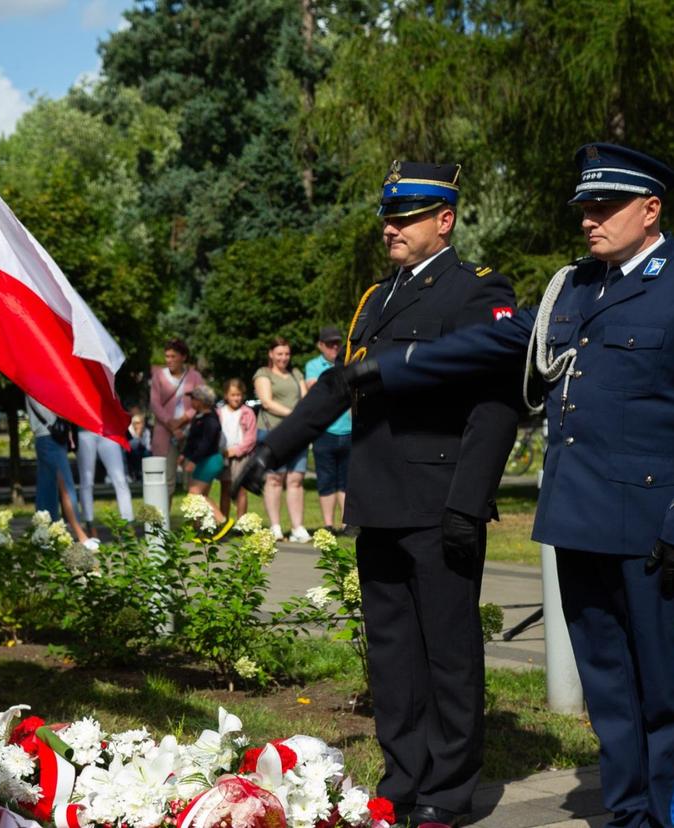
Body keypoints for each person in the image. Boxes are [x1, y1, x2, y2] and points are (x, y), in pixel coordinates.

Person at [297, 144, 674, 828]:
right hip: (576, 515)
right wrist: (381, 371)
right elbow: (487, 352)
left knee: (663, 690)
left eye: (606, 206)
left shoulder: (662, 286)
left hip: (642, 519)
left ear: (651, 209)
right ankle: (627, 814)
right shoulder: (575, 288)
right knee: (611, 689)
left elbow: (511, 393)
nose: (590, 218)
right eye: (585, 206)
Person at [237, 161, 519, 828]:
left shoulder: (475, 292)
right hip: (381, 497)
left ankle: (448, 794)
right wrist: (269, 451)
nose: (389, 227)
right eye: (387, 217)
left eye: (407, 217)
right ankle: (404, 775)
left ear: (443, 221)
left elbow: (496, 405)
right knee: (392, 653)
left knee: (448, 653)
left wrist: (467, 500)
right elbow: (339, 387)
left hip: (439, 501)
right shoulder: (378, 298)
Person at [253, 336, 310, 542]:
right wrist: (294, 415)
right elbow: (267, 402)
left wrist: (302, 418)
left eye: (286, 353)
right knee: (274, 479)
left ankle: (297, 527)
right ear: (271, 354)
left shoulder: (296, 374)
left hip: (297, 433)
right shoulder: (263, 374)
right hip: (273, 432)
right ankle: (275, 526)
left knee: (296, 479)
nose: (283, 358)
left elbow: (305, 399)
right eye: (279, 354)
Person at [304, 325, 354, 535]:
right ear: (320, 345)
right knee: (326, 480)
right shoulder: (314, 365)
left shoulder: (349, 362)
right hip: (325, 431)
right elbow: (315, 388)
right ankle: (327, 525)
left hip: (348, 430)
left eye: (337, 343)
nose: (335, 347)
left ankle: (346, 523)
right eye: (330, 344)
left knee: (346, 481)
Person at [25, 395, 92, 545]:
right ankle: (80, 534)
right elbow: (39, 402)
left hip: (49, 435)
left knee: (47, 488)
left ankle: (45, 535)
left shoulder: (39, 376)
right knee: (65, 486)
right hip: (49, 435)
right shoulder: (36, 377)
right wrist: (56, 421)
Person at [150, 338, 205, 500]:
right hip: (165, 434)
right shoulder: (159, 376)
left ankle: (194, 523)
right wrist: (171, 424)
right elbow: (155, 404)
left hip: (189, 432)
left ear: (183, 357)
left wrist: (182, 420)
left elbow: (201, 402)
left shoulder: (194, 377)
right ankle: (163, 523)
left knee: (193, 481)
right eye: (167, 356)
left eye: (173, 356)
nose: (169, 360)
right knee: (166, 481)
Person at [179, 385, 235, 539]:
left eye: (194, 398)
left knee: (195, 494)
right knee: (199, 495)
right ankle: (202, 529)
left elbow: (206, 443)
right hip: (204, 460)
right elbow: (192, 440)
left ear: (202, 401)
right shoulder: (199, 417)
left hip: (210, 460)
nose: (192, 401)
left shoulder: (210, 420)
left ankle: (223, 521)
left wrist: (194, 460)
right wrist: (184, 454)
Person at [76, 428, 135, 536]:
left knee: (120, 479)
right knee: (87, 481)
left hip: (107, 430)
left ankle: (128, 523)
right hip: (84, 431)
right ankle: (89, 523)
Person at [218, 378, 257, 520]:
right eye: (233, 395)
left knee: (241, 490)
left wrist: (237, 450)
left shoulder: (247, 413)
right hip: (224, 455)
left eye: (239, 395)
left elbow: (251, 437)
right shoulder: (220, 412)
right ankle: (223, 521)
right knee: (225, 489)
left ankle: (242, 522)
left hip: (241, 456)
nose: (236, 398)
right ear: (226, 395)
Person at [125, 408, 152, 482]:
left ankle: (146, 473)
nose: (139, 425)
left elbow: (148, 446)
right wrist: (138, 435)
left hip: (143, 451)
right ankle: (136, 473)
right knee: (135, 453)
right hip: (130, 452)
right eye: (137, 423)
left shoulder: (146, 431)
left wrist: (140, 435)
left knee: (147, 453)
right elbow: (131, 445)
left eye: (141, 423)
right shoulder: (129, 430)